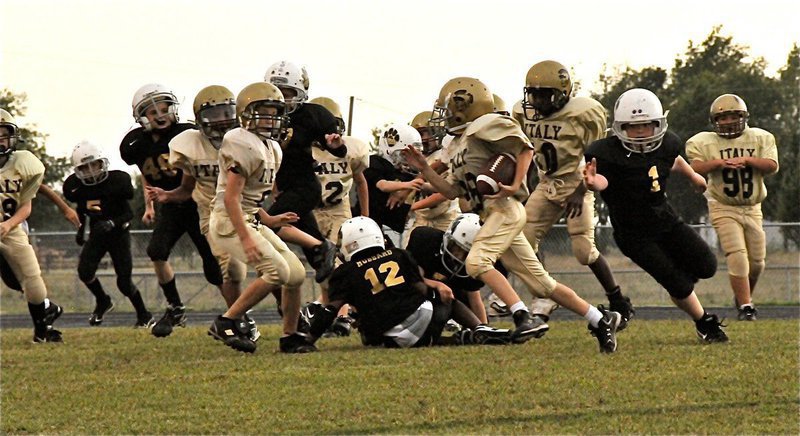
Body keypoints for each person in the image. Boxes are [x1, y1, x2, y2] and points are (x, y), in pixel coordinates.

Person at [404, 77, 621, 352]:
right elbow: (449, 191)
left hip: (504, 210)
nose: (444, 116)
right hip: (491, 214)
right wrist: (425, 167)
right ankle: (601, 318)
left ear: (465, 107)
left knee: (477, 262)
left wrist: (517, 182)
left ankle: (522, 316)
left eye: (447, 109)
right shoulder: (459, 144)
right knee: (543, 285)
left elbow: (525, 148)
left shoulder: (486, 124)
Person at [583, 88, 728, 343]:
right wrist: (594, 183)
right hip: (633, 233)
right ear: (620, 127)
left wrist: (693, 175)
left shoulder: (668, 143)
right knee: (679, 285)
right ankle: (704, 322)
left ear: (658, 123)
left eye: (647, 125)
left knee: (708, 265)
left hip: (665, 219)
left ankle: (679, 283)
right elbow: (604, 180)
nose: (640, 132)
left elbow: (671, 158)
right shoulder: (607, 153)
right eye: (632, 126)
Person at [517, 60, 634, 328]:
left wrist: (580, 192)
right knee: (521, 241)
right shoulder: (524, 114)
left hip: (575, 181)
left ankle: (617, 300)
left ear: (561, 93)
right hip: (547, 184)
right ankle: (544, 296)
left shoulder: (583, 114)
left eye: (544, 94)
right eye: (533, 93)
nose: (537, 100)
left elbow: (596, 160)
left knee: (583, 251)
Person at [145, 85, 261, 340]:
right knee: (231, 271)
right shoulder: (190, 146)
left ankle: (284, 318)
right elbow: (187, 189)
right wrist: (167, 196)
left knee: (272, 269)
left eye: (226, 112)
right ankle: (239, 319)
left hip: (246, 210)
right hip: (213, 217)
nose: (221, 120)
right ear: (199, 119)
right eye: (214, 115)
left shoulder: (246, 141)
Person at [207, 82, 313, 354]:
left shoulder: (272, 148)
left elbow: (251, 199)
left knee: (296, 274)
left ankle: (290, 335)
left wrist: (270, 220)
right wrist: (246, 238)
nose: (270, 118)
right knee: (276, 271)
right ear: (246, 114)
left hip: (249, 218)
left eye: (274, 112)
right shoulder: (240, 142)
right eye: (263, 112)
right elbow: (231, 199)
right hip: (228, 222)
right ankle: (226, 321)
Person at [305, 216, 511, 348]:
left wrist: (308, 339)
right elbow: (420, 287)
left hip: (386, 338)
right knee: (441, 300)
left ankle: (456, 339)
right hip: (423, 323)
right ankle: (479, 329)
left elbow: (330, 310)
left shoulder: (346, 272)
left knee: (371, 331)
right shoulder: (398, 255)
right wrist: (436, 287)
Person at [120, 83, 224, 338]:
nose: (160, 115)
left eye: (164, 109)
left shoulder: (188, 132)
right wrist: (149, 204)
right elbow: (146, 175)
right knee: (156, 251)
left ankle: (237, 312)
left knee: (213, 265)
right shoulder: (134, 144)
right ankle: (176, 307)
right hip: (169, 205)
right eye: (153, 112)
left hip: (197, 202)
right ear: (142, 116)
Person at [686, 94, 779, 321]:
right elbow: (695, 168)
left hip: (753, 207)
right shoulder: (703, 142)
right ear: (714, 120)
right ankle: (747, 306)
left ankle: (742, 298)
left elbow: (772, 166)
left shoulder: (760, 138)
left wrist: (748, 161)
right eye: (723, 117)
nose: (728, 121)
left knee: (757, 263)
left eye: (733, 116)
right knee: (737, 254)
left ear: (744, 116)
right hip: (723, 206)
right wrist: (718, 163)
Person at [264, 61, 342, 283]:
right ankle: (342, 300)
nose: (283, 98)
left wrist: (334, 144)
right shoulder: (266, 118)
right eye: (278, 92)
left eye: (288, 93)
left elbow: (337, 150)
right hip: (286, 189)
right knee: (322, 265)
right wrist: (275, 189)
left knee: (268, 225)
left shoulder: (309, 116)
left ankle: (323, 245)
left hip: (305, 188)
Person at [63, 140, 154, 327]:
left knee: (124, 282)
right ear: (77, 170)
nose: (91, 171)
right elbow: (82, 208)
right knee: (84, 272)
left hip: (119, 234)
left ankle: (144, 315)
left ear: (101, 163)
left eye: (93, 165)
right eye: (85, 168)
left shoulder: (118, 181)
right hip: (97, 233)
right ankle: (103, 300)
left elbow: (129, 213)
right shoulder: (75, 187)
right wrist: (81, 229)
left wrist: (112, 223)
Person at [307, 96, 370, 336]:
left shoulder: (351, 149)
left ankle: (341, 316)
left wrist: (365, 216)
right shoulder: (305, 149)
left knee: (336, 265)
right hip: (311, 211)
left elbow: (361, 182)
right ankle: (331, 312)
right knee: (323, 268)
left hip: (338, 210)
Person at [0, 108, 63, 342]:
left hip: (10, 229)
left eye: (3, 134)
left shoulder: (24, 164)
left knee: (32, 279)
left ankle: (41, 330)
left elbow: (26, 207)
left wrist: (8, 225)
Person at [405, 213, 489, 324]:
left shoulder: (471, 262)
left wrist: (484, 327)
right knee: (424, 292)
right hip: (415, 296)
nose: (458, 256)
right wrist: (437, 285)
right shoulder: (426, 240)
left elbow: (474, 298)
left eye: (466, 252)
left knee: (464, 300)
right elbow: (412, 278)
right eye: (457, 247)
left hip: (449, 297)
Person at [363, 123, 425, 246]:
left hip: (385, 227)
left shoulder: (405, 174)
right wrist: (409, 185)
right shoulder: (375, 162)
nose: (408, 159)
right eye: (404, 154)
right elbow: (383, 185)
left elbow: (421, 185)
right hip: (366, 223)